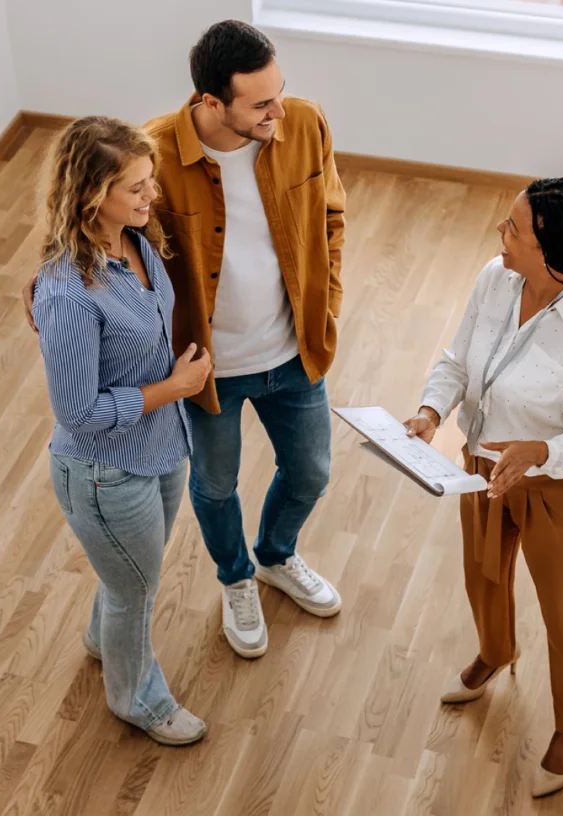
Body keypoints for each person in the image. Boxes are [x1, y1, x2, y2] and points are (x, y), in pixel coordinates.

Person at [402, 178, 563, 796]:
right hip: (481, 465)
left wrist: (541, 452)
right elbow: (455, 359)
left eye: (514, 228)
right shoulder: (493, 279)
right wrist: (430, 411)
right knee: (484, 573)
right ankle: (496, 650)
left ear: (553, 251)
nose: (500, 235)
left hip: (560, 488)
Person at [146, 20, 348, 658]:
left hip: (295, 351)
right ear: (210, 102)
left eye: (279, 93)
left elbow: (333, 218)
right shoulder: (151, 154)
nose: (277, 111)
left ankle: (274, 556)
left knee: (312, 473)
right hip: (208, 368)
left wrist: (328, 304)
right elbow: (103, 240)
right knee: (214, 485)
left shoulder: (305, 124)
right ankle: (236, 580)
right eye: (260, 104)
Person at [31, 116, 213, 746]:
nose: (150, 196)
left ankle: (100, 637)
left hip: (161, 445)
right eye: (134, 188)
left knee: (132, 573)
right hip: (106, 472)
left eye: (149, 181)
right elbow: (76, 411)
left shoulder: (138, 240)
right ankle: (138, 699)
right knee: (138, 587)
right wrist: (174, 389)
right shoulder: (68, 292)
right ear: (91, 197)